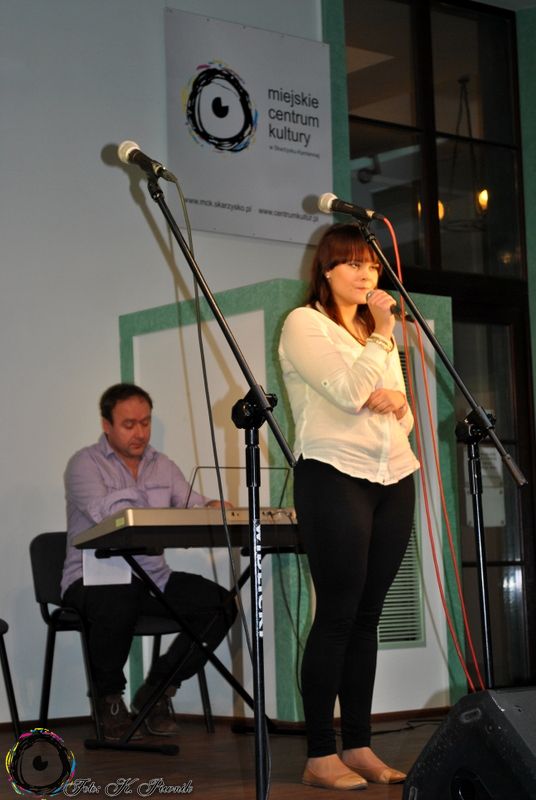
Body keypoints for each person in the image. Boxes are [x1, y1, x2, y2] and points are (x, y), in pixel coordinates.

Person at [278, 223, 420, 791]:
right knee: (337, 613)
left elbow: (405, 419)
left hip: (394, 474)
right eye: (355, 263)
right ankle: (319, 754)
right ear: (327, 269)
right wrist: (384, 337)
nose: (367, 274)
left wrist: (399, 400)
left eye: (373, 265)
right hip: (334, 473)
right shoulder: (304, 323)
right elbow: (347, 392)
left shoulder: (370, 331)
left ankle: (358, 745)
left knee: (368, 617)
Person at [61, 382, 237, 741]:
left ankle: (156, 691)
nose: (140, 433)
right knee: (119, 594)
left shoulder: (163, 465)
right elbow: (108, 516)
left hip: (153, 578)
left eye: (145, 422)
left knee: (221, 605)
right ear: (106, 425)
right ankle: (109, 701)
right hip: (92, 578)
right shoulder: (84, 464)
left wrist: (209, 507)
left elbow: (190, 502)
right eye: (129, 424)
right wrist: (151, 504)